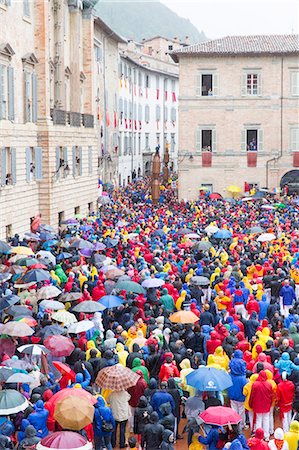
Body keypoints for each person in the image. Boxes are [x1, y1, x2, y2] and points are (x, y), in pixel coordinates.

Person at [249, 370, 274, 440]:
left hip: (257, 405)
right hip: (266, 405)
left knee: (258, 420)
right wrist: (270, 403)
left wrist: (250, 404)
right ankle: (266, 435)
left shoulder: (255, 384)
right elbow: (271, 396)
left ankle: (259, 436)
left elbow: (252, 396)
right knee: (266, 419)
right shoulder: (269, 384)